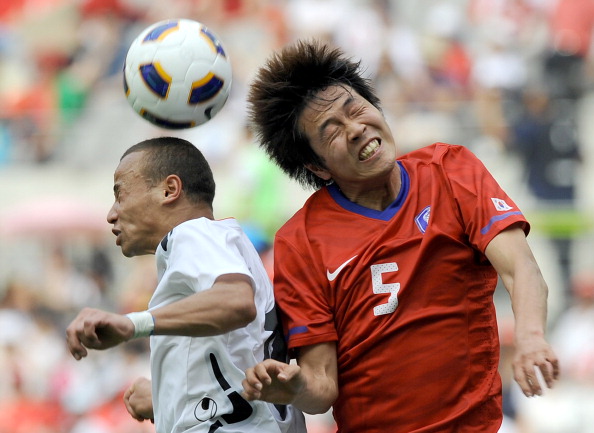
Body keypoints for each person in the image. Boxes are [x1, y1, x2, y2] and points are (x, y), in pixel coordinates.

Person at [241, 40, 560, 433]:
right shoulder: (299, 241)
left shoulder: (451, 170)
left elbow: (521, 269)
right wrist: (292, 387)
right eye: (332, 131)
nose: (355, 129)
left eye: (355, 108)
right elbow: (321, 385)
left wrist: (531, 339)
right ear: (316, 166)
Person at [65, 137, 305, 433]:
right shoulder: (213, 244)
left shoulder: (193, 234)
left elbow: (236, 301)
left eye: (120, 194)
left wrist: (132, 324)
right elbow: (236, 358)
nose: (111, 213)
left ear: (170, 190)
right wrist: (165, 397)